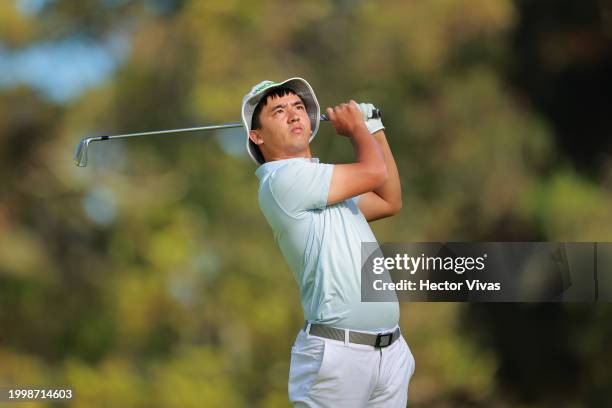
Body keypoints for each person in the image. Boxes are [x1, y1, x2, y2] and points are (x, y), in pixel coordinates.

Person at [242, 77, 415, 407]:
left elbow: (389, 199)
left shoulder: (324, 182)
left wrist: (375, 128)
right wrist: (357, 129)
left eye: (298, 107)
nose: (294, 115)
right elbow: (374, 173)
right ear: (257, 135)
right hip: (336, 356)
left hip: (389, 353)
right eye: (278, 111)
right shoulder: (282, 180)